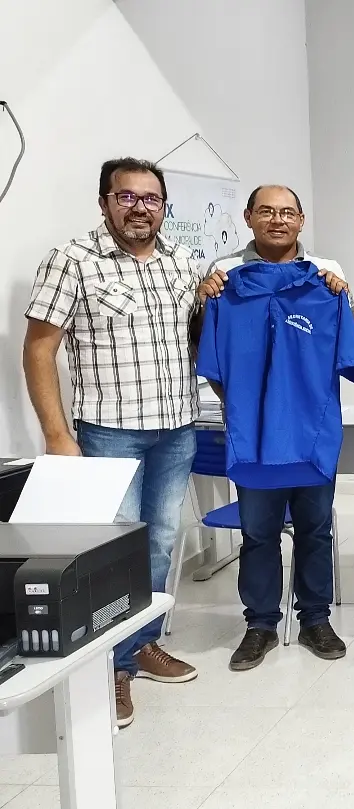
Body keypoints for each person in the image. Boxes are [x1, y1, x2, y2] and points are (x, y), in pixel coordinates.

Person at [22, 157, 202, 728]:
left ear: (164, 206)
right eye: (126, 197)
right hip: (109, 431)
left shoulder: (182, 261)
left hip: (177, 427)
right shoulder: (72, 260)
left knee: (160, 542)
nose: (139, 208)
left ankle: (141, 645)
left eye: (151, 198)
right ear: (105, 202)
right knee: (113, 552)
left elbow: (198, 336)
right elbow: (39, 348)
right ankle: (112, 669)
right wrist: (57, 434)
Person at [198, 185, 354, 671]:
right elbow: (210, 358)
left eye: (287, 212)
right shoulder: (225, 280)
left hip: (312, 436)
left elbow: (352, 350)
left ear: (301, 220)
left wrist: (341, 298)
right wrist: (246, 407)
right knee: (258, 532)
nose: (277, 219)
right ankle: (260, 625)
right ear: (248, 217)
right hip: (253, 440)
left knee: (315, 529)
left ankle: (315, 620)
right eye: (266, 211)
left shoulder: (326, 278)